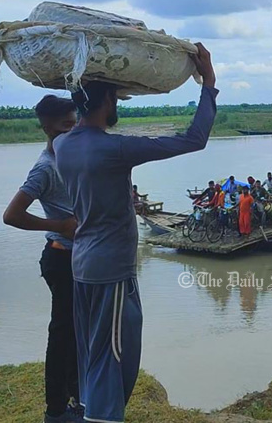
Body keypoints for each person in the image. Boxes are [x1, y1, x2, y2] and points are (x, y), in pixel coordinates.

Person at [54, 43, 217, 423]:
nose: (118, 107)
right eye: (116, 99)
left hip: (83, 264)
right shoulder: (115, 149)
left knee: (94, 353)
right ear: (107, 100)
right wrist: (208, 82)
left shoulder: (62, 145)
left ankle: (92, 412)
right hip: (111, 269)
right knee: (115, 358)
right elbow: (194, 139)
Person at [2, 95, 82, 423]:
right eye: (66, 125)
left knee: (78, 333)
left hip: (78, 260)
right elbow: (12, 215)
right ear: (47, 127)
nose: (73, 129)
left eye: (76, 122)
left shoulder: (71, 158)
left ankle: (77, 400)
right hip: (61, 259)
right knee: (62, 335)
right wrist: (59, 225)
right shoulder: (45, 168)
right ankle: (56, 411)